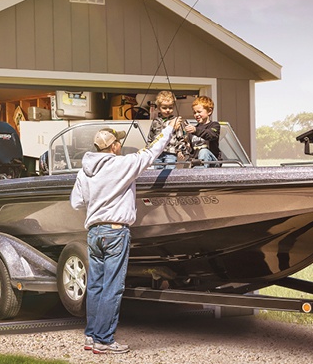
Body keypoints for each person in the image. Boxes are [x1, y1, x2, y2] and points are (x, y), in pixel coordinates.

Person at [69, 118, 181, 354]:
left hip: (94, 232)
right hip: (115, 232)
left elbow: (77, 202)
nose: (121, 143)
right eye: (119, 140)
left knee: (96, 286)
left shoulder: (84, 170)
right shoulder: (122, 164)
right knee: (112, 287)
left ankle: (91, 336)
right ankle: (104, 340)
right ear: (114, 147)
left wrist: (99, 198)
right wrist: (169, 128)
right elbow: (152, 152)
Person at [147, 90, 193, 169]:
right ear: (158, 108)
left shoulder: (176, 121)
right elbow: (151, 138)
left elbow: (180, 138)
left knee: (169, 173)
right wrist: (148, 151)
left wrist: (180, 151)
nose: (168, 110)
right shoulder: (155, 121)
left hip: (171, 152)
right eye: (164, 108)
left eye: (170, 108)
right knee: (156, 173)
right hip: (157, 153)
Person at [185, 96, 222, 168]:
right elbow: (191, 152)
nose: (196, 115)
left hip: (213, 163)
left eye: (199, 112)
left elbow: (211, 135)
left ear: (209, 111)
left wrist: (196, 130)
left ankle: (199, 175)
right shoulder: (192, 131)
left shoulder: (214, 125)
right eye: (194, 112)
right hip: (196, 164)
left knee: (204, 151)